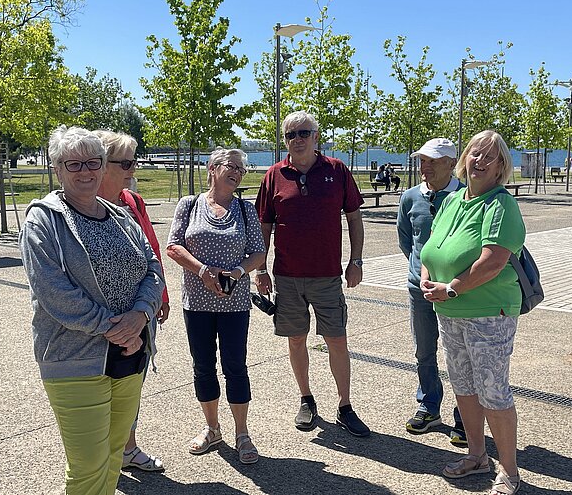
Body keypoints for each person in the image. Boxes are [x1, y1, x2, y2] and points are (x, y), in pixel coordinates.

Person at [19, 126, 165, 494]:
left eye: (93, 162)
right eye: (74, 164)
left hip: (129, 356)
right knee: (87, 466)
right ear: (57, 169)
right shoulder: (43, 220)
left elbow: (152, 268)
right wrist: (117, 329)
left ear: (102, 166)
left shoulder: (120, 215)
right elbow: (53, 292)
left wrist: (140, 316)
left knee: (114, 455)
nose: (85, 171)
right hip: (75, 359)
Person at [420, 130, 525, 495]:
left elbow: (493, 261)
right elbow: (432, 246)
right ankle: (477, 456)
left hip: (488, 313)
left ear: (500, 167)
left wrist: (450, 288)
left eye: (489, 157)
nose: (479, 161)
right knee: (464, 386)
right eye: (475, 153)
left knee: (493, 392)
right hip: (450, 311)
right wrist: (427, 275)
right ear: (464, 159)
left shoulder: (500, 204)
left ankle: (509, 471)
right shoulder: (452, 200)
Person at [255, 110, 370, 437]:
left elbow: (354, 218)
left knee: (337, 339)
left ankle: (345, 406)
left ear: (316, 136)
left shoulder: (337, 170)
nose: (297, 139)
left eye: (304, 133)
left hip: (327, 275)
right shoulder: (274, 175)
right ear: (285, 140)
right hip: (287, 276)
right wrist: (260, 269)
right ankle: (306, 399)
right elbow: (264, 225)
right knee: (296, 340)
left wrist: (356, 261)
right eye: (291, 135)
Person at [166, 148, 266, 464]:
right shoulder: (189, 205)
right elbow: (173, 246)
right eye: (231, 166)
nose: (237, 172)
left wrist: (236, 273)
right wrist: (203, 272)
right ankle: (212, 428)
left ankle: (242, 433)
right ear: (212, 168)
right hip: (197, 303)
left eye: (241, 169)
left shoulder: (245, 210)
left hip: (234, 303)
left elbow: (259, 252)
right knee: (203, 366)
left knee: (235, 366)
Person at [95, 129, 170, 473]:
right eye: (125, 163)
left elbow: (152, 249)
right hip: (101, 319)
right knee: (99, 388)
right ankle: (102, 457)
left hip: (139, 312)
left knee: (132, 381)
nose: (133, 169)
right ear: (102, 165)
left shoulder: (133, 201)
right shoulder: (82, 205)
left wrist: (160, 297)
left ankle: (127, 448)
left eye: (133, 162)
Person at [397, 138, 466, 444]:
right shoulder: (410, 197)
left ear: (452, 163)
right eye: (422, 161)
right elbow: (407, 241)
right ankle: (428, 405)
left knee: (461, 354)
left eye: (433, 161)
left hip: (458, 291)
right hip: (420, 289)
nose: (425, 167)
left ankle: (465, 416)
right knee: (424, 350)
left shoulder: (467, 196)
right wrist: (421, 272)